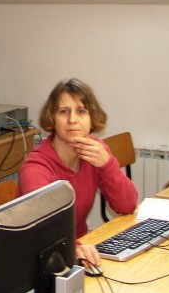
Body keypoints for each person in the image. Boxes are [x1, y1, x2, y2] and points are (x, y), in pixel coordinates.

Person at [18, 78, 139, 266]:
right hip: (39, 258)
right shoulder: (36, 167)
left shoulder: (96, 150)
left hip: (79, 248)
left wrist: (107, 164)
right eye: (63, 111)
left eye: (81, 111)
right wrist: (74, 248)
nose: (72, 120)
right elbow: (44, 227)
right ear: (52, 118)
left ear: (92, 118)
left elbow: (127, 205)